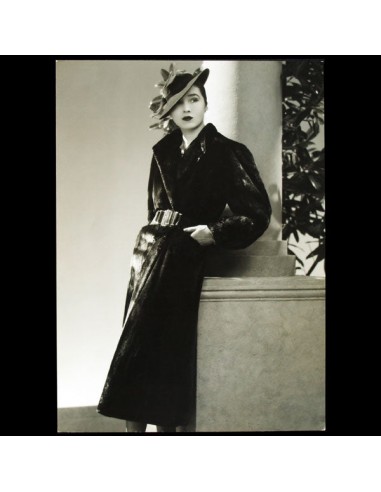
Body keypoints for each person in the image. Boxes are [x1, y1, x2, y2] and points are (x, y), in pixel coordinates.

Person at [97, 66, 272, 433]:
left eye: (194, 100)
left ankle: (165, 431)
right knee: (134, 341)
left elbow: (257, 212)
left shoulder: (228, 152)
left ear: (206, 105)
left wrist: (213, 232)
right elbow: (152, 206)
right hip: (148, 253)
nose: (187, 109)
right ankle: (133, 434)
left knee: (160, 348)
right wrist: (148, 241)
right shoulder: (162, 152)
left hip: (183, 256)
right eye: (178, 104)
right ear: (170, 114)